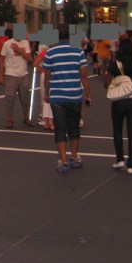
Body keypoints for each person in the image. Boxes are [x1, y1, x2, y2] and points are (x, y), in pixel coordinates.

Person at [42, 24, 92, 173]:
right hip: (74, 95)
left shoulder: (51, 53)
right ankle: (74, 156)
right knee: (74, 127)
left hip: (57, 96)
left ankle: (63, 160)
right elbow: (84, 75)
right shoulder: (78, 52)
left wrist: (46, 93)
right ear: (70, 36)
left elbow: (47, 76)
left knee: (60, 128)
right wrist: (88, 95)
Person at [105, 35, 132, 174]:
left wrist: (118, 83)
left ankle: (120, 159)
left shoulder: (114, 65)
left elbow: (106, 83)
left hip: (118, 102)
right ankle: (131, 164)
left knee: (117, 130)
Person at [0, 28, 34, 128]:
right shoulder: (7, 43)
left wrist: (19, 50)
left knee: (25, 97)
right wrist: (1, 74)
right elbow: (2, 59)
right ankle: (9, 118)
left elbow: (29, 59)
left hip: (23, 73)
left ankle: (26, 117)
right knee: (10, 97)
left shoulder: (25, 43)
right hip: (11, 73)